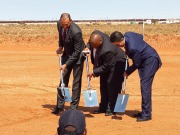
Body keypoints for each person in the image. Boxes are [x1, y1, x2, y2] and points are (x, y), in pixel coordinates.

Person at [110, 31, 162, 122]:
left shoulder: (133, 48)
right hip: (146, 58)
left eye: (118, 45)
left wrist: (127, 72)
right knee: (144, 86)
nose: (118, 47)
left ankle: (146, 114)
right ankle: (145, 111)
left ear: (122, 39)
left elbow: (136, 63)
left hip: (150, 61)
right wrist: (129, 49)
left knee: (145, 86)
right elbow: (140, 36)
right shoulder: (128, 34)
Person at [86, 30, 126, 116]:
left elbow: (107, 66)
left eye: (95, 46)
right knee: (103, 85)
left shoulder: (107, 50)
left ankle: (112, 108)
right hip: (107, 62)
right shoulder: (96, 34)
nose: (94, 48)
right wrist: (88, 47)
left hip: (118, 63)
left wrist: (93, 72)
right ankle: (103, 107)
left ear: (100, 41)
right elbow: (90, 42)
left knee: (112, 85)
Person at [52, 13, 85, 114]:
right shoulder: (60, 25)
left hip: (78, 57)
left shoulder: (76, 31)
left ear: (70, 21)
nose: (64, 26)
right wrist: (61, 47)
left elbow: (77, 51)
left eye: (66, 24)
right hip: (67, 53)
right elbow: (61, 36)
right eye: (63, 24)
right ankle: (60, 106)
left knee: (76, 82)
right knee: (63, 79)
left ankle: (73, 107)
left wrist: (66, 64)